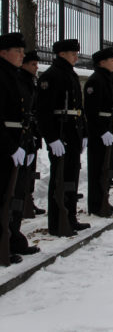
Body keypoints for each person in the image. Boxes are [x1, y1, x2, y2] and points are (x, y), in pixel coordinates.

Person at [37, 39, 90, 236]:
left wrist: (83, 132)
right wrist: (51, 138)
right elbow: (43, 111)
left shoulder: (71, 74)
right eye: (72, 52)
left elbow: (79, 108)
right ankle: (58, 222)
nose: (76, 56)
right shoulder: (52, 76)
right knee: (59, 179)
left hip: (72, 133)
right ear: (61, 54)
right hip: (61, 134)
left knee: (71, 178)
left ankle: (70, 217)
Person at [0, 33, 37, 265]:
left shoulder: (12, 76)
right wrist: (11, 146)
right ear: (3, 52)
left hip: (17, 142)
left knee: (13, 194)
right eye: (18, 51)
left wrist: (27, 142)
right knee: (3, 197)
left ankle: (12, 238)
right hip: (5, 145)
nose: (22, 56)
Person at [84, 47, 113, 217]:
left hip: (108, 128)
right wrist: (101, 131)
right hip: (100, 131)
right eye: (111, 59)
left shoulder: (107, 79)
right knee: (97, 168)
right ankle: (96, 204)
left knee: (104, 168)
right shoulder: (95, 80)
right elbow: (91, 111)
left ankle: (103, 200)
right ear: (101, 62)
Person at [18, 51, 46, 217]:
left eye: (36, 64)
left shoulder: (30, 82)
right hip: (23, 134)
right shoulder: (21, 81)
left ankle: (28, 200)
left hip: (32, 133)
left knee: (30, 169)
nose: (36, 68)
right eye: (32, 64)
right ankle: (22, 203)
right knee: (22, 173)